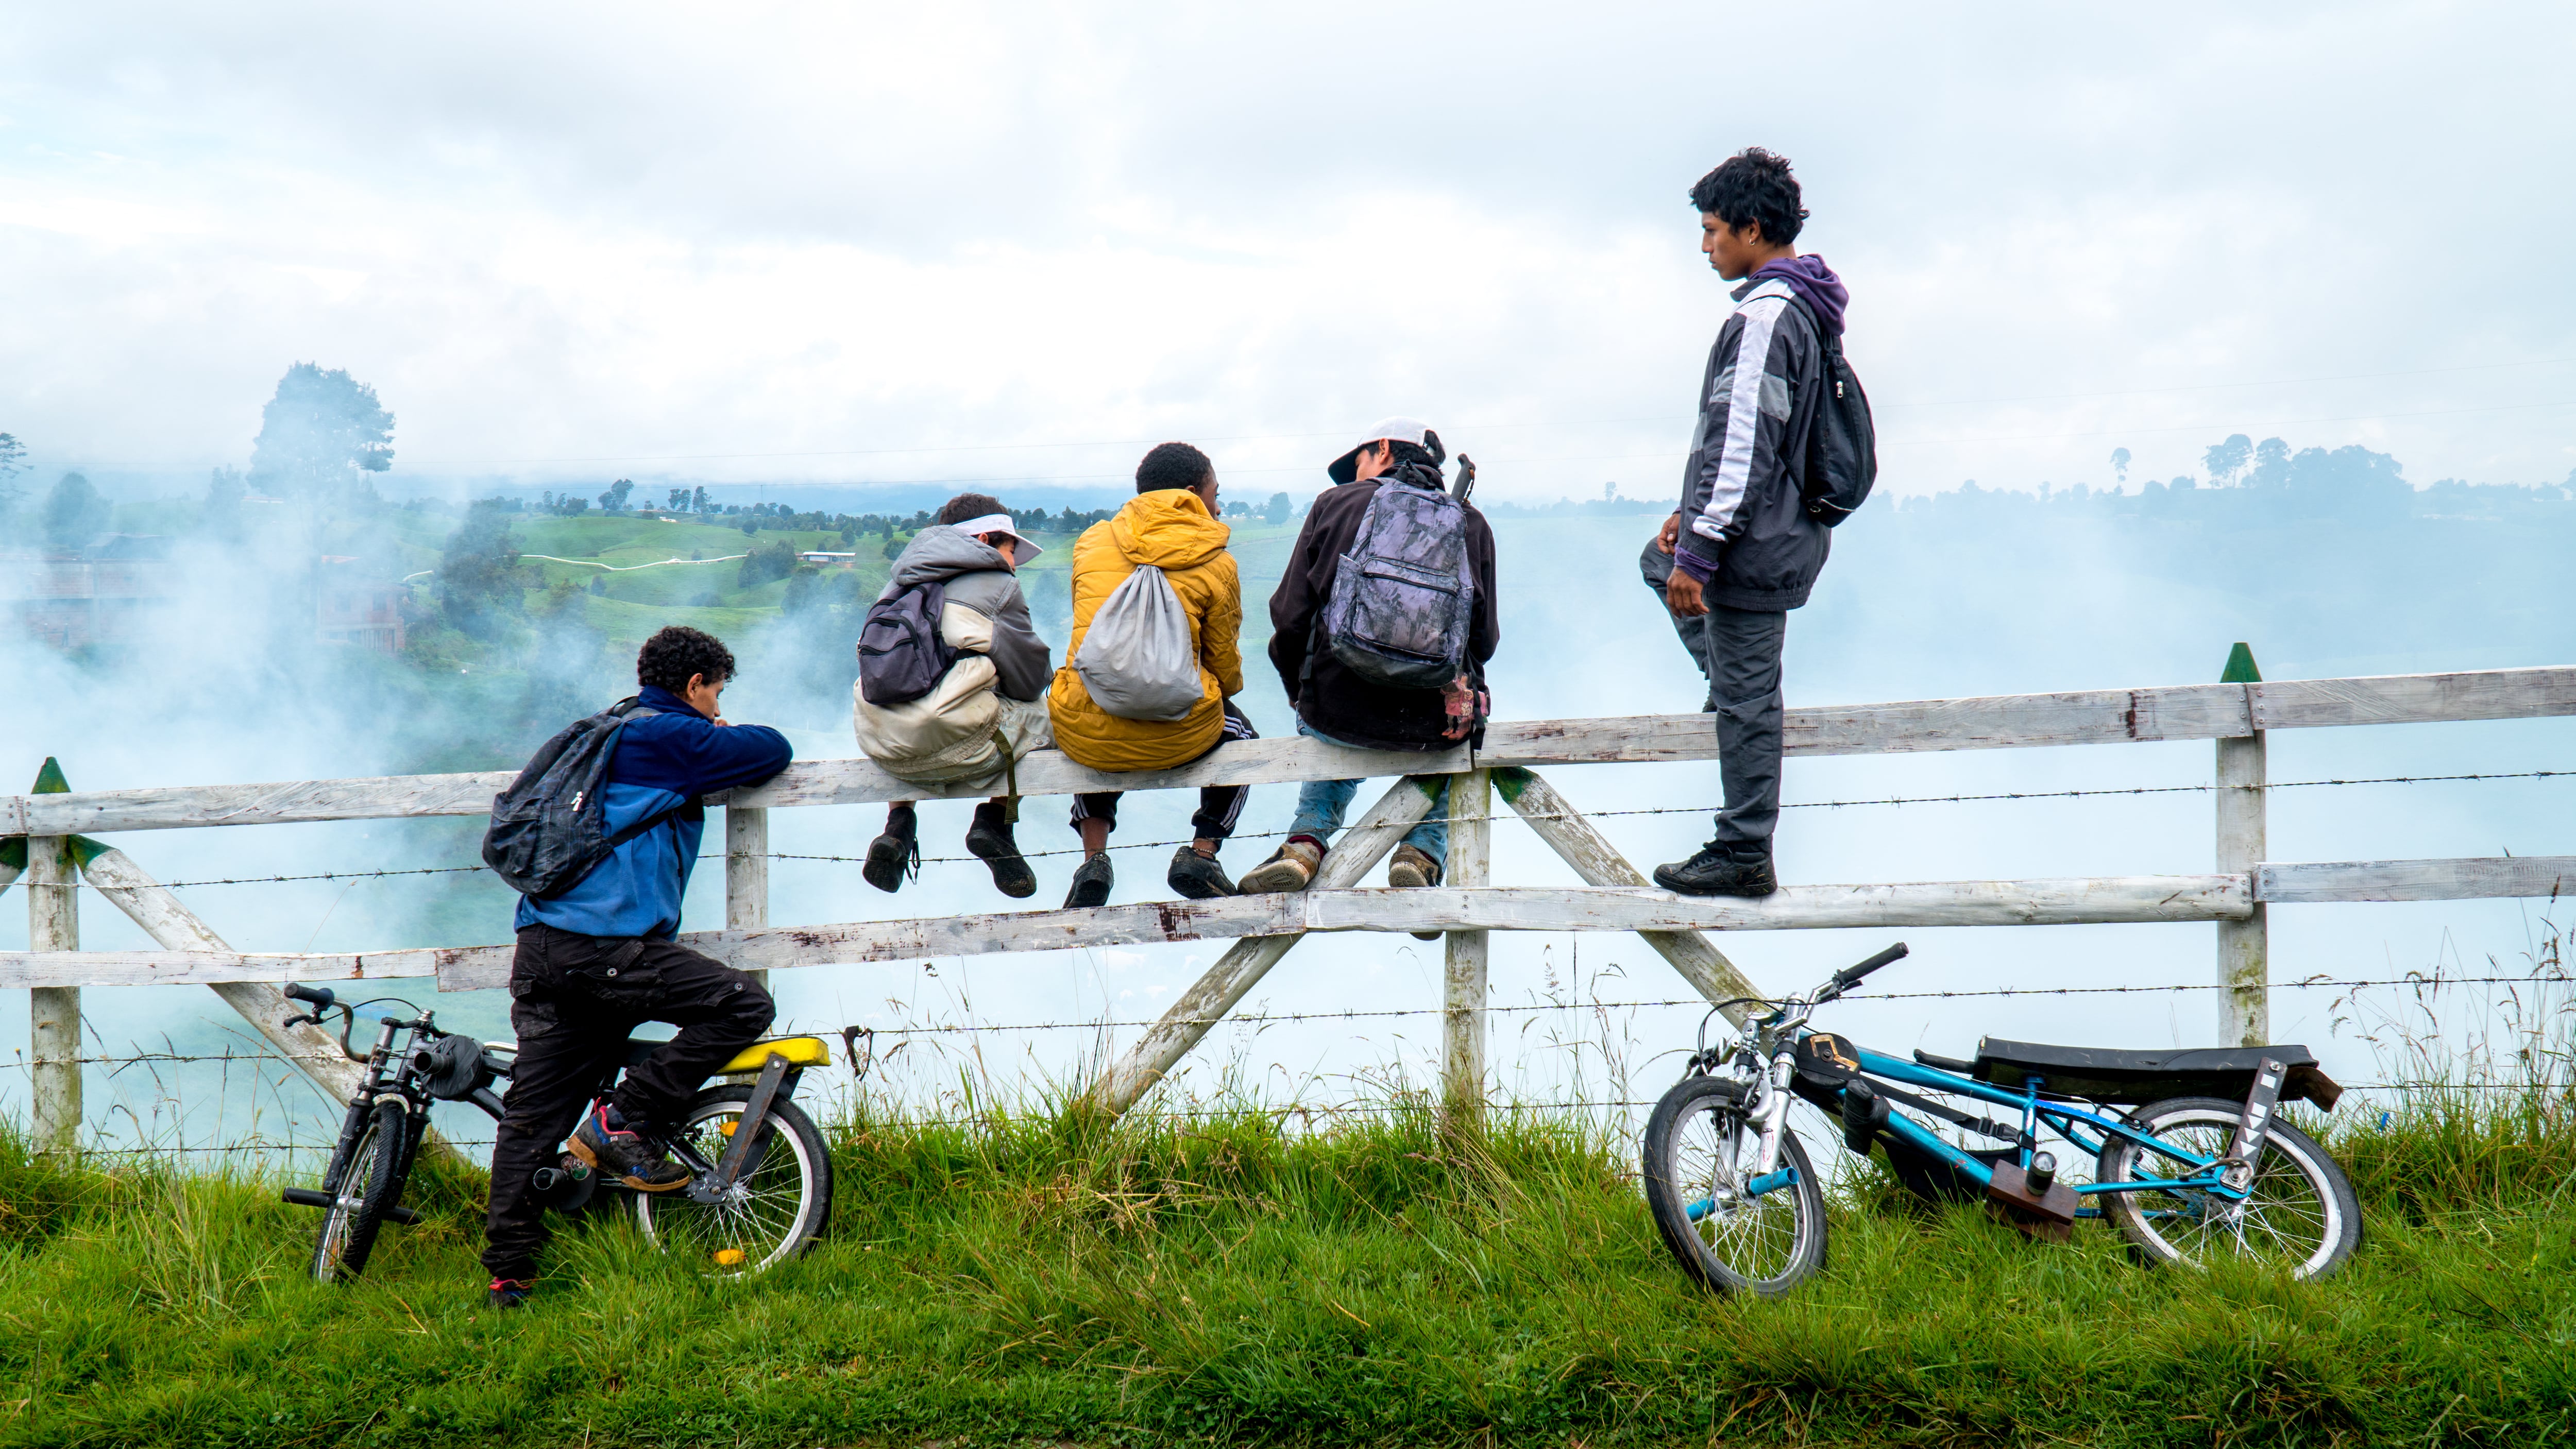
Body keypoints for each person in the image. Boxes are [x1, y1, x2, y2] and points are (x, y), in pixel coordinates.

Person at [485, 625, 792, 1309]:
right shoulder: (672, 738)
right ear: (695, 685)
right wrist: (719, 727)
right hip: (610, 951)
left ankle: (510, 1277)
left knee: (532, 1117)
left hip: (540, 946)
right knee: (742, 1005)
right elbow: (773, 749)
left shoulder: (598, 732)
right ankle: (623, 1122)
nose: (718, 706)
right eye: (716, 692)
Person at [1653, 147, 1847, 899]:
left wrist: (1700, 551)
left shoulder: (1765, 317)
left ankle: (1742, 851)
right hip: (1780, 527)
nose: (1706, 247)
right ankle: (1727, 693)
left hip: (1751, 546)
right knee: (1654, 562)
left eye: (1712, 231)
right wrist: (1686, 516)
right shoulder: (1808, 307)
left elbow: (1745, 443)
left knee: (1748, 699)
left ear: (1752, 228)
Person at [1240, 418, 1498, 900]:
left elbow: (1289, 619)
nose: (1355, 475)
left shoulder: (1334, 504)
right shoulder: (1471, 522)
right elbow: (1483, 641)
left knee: (1330, 737)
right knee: (1455, 744)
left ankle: (1305, 845)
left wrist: (1304, 695)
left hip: (1335, 709)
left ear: (1382, 449)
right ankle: (1420, 853)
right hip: (1430, 725)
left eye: (1357, 463)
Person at [1048, 442, 1255, 906]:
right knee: (1245, 739)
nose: (1218, 507)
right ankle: (1203, 852)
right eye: (1214, 494)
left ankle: (1093, 859)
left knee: (1091, 712)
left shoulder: (1091, 543)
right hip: (1182, 732)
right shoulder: (1218, 559)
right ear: (1189, 494)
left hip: (1091, 734)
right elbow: (1223, 661)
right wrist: (1218, 690)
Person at [854, 493, 1055, 898]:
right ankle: (995, 821)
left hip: (881, 740)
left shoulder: (897, 583)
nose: (1014, 563)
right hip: (952, 741)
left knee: (910, 698)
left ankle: (898, 826)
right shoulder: (999, 586)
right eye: (1011, 549)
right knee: (1045, 711)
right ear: (985, 538)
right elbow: (1030, 678)